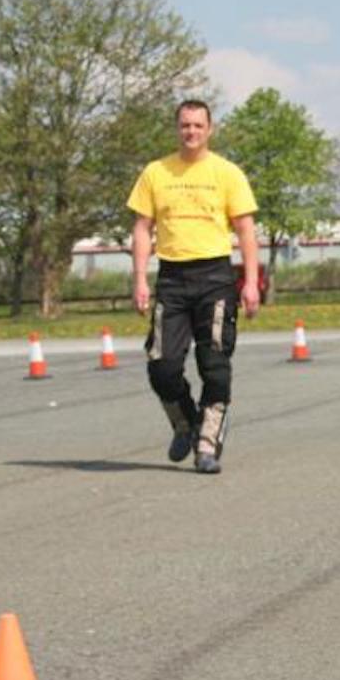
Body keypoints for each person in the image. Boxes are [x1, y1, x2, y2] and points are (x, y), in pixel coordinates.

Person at [127, 99, 261, 475]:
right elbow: (141, 228)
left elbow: (246, 229)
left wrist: (250, 282)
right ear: (177, 128)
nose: (191, 132)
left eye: (198, 126)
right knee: (162, 366)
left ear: (210, 129)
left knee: (214, 364)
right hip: (171, 278)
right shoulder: (156, 173)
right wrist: (139, 278)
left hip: (215, 278)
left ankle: (208, 442)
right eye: (185, 126)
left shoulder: (227, 173)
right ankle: (186, 421)